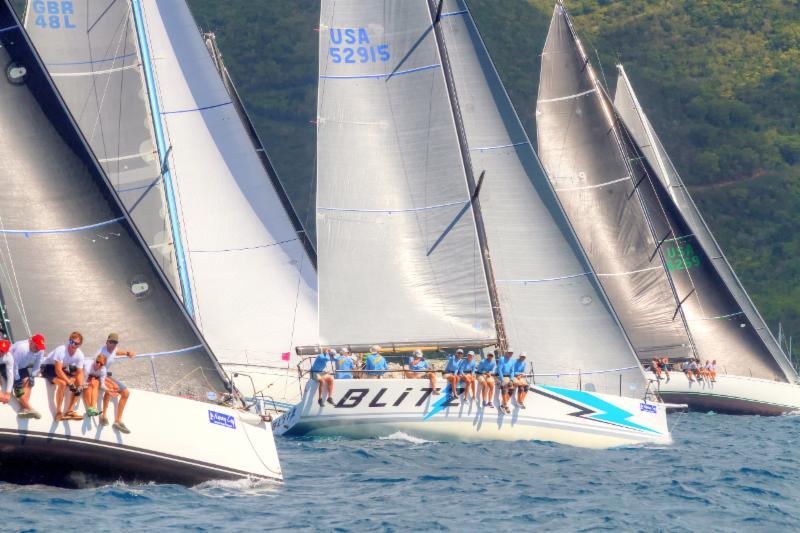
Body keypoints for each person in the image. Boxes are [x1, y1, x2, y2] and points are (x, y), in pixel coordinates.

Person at [41, 332, 86, 421]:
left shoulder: (80, 355)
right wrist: (69, 382)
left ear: (79, 345)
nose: (72, 344)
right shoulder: (61, 350)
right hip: (47, 367)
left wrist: (80, 385)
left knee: (79, 383)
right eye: (71, 342)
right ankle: (58, 412)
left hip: (61, 368)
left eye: (75, 343)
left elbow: (80, 372)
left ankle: (70, 410)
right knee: (63, 383)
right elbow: (58, 370)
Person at [97, 332, 135, 432]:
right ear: (107, 342)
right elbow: (98, 370)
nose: (113, 344)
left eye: (115, 342)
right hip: (98, 375)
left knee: (126, 393)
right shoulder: (101, 353)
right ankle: (103, 416)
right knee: (111, 388)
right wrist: (109, 381)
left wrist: (127, 353)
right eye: (111, 342)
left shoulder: (113, 349)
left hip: (105, 374)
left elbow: (116, 352)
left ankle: (118, 421)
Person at [9, 333, 45, 419]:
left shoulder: (40, 350)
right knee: (18, 387)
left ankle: (24, 409)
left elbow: (38, 363)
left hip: (21, 367)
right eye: (36, 347)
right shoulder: (22, 348)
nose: (38, 349)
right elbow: (14, 365)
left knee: (29, 383)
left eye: (40, 347)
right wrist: (17, 379)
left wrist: (32, 375)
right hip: (9, 366)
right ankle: (30, 409)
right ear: (31, 342)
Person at [496, 350, 516, 414]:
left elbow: (512, 371)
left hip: (508, 377)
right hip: (500, 376)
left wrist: (511, 379)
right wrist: (502, 380)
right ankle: (506, 405)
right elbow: (499, 370)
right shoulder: (502, 359)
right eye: (509, 352)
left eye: (511, 353)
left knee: (511, 390)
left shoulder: (512, 360)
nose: (510, 354)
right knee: (504, 387)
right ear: (506, 353)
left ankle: (503, 405)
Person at [0, 339, 12, 407]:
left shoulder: (9, 357)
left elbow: (10, 374)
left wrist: (8, 392)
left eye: (3, 351)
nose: (0, 352)